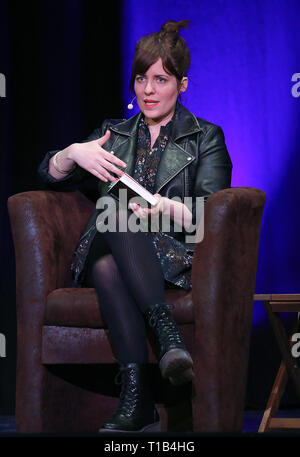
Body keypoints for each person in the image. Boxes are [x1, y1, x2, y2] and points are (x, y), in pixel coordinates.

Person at [37, 19, 232, 433]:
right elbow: (46, 174)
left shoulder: (205, 138)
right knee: (116, 212)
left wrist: (164, 207)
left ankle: (137, 399)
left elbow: (212, 211)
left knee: (109, 267)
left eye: (160, 80)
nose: (147, 90)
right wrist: (72, 154)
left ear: (181, 85)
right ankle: (168, 339)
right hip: (109, 241)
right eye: (141, 78)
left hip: (171, 254)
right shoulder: (114, 133)